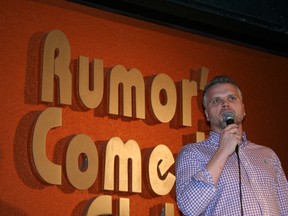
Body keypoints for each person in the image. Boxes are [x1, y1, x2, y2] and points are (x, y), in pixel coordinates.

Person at [175, 75, 288, 215]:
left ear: (243, 109)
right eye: (216, 100)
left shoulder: (267, 155)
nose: (225, 103)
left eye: (232, 98)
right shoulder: (192, 153)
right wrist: (222, 152)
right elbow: (189, 208)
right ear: (207, 115)